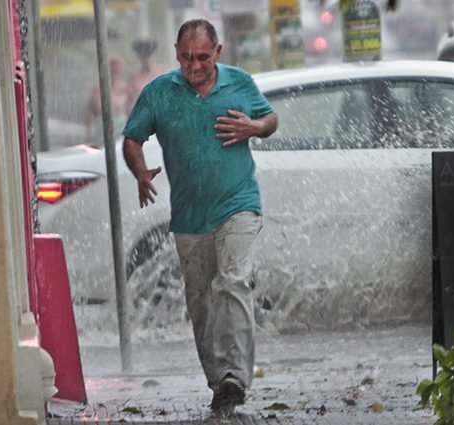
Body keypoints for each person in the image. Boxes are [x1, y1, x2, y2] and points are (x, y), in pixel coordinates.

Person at [122, 19, 278, 416]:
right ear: (176, 53)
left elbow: (270, 120)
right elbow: (132, 139)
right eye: (187, 57)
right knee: (201, 303)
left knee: (233, 280)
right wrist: (140, 172)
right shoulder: (158, 93)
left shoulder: (239, 83)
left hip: (239, 202)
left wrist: (254, 127)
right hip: (190, 217)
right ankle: (220, 383)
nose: (194, 66)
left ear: (218, 53)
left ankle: (236, 378)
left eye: (203, 58)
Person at [85, 54, 129, 145]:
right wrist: (89, 132)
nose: (114, 75)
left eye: (116, 72)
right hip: (102, 127)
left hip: (120, 126)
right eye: (112, 72)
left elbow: (129, 109)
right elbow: (90, 112)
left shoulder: (125, 88)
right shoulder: (97, 90)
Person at [126, 38, 167, 112]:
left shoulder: (162, 72)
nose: (146, 59)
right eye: (144, 57)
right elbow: (129, 101)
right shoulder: (134, 77)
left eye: (148, 56)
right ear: (140, 58)